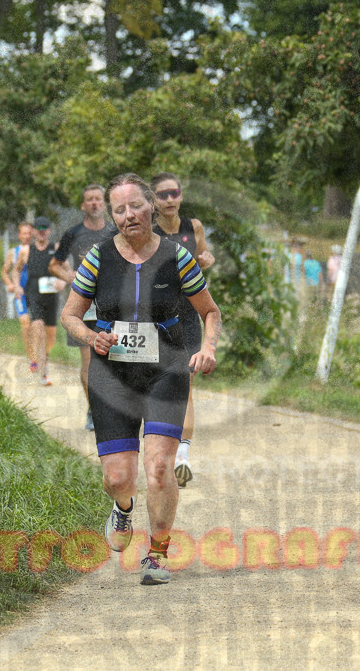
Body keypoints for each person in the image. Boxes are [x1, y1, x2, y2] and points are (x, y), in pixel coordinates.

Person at [60, 173, 220, 586]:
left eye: (136, 206)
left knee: (160, 468)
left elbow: (210, 311)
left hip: (167, 367)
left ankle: (158, 554)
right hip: (112, 374)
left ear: (151, 207)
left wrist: (209, 348)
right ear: (112, 216)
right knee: (117, 477)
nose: (129, 215)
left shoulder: (176, 257)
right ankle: (124, 508)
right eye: (120, 209)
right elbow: (70, 315)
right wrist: (92, 336)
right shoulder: (98, 257)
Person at [150, 172, 215, 489]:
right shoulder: (147, 231)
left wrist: (206, 259)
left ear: (181, 195)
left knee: (185, 385)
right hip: (155, 319)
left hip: (188, 316)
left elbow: (202, 261)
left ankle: (182, 457)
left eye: (174, 193)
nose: (169, 199)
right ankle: (158, 450)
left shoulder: (194, 227)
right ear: (154, 200)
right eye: (162, 195)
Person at [50, 185, 117, 431]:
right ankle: (95, 410)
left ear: (105, 204)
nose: (94, 204)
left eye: (98, 200)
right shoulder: (73, 234)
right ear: (83, 205)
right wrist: (71, 278)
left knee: (114, 359)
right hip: (83, 305)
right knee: (89, 360)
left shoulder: (114, 231)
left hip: (111, 303)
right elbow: (55, 265)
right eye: (89, 200)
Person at [13, 216, 65, 386]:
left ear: (49, 231)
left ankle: (44, 360)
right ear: (34, 231)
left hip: (51, 295)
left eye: (45, 229)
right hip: (33, 292)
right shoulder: (26, 251)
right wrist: (17, 286)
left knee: (50, 338)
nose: (42, 232)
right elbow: (17, 270)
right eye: (39, 229)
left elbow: (67, 270)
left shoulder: (56, 248)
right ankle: (43, 373)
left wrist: (63, 282)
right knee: (37, 328)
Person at [2, 222, 34, 364]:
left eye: (29, 233)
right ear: (19, 235)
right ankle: (32, 359)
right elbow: (4, 272)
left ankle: (40, 354)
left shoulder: (38, 250)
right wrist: (11, 285)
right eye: (24, 233)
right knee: (25, 324)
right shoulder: (13, 252)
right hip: (20, 295)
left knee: (39, 326)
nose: (27, 236)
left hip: (36, 294)